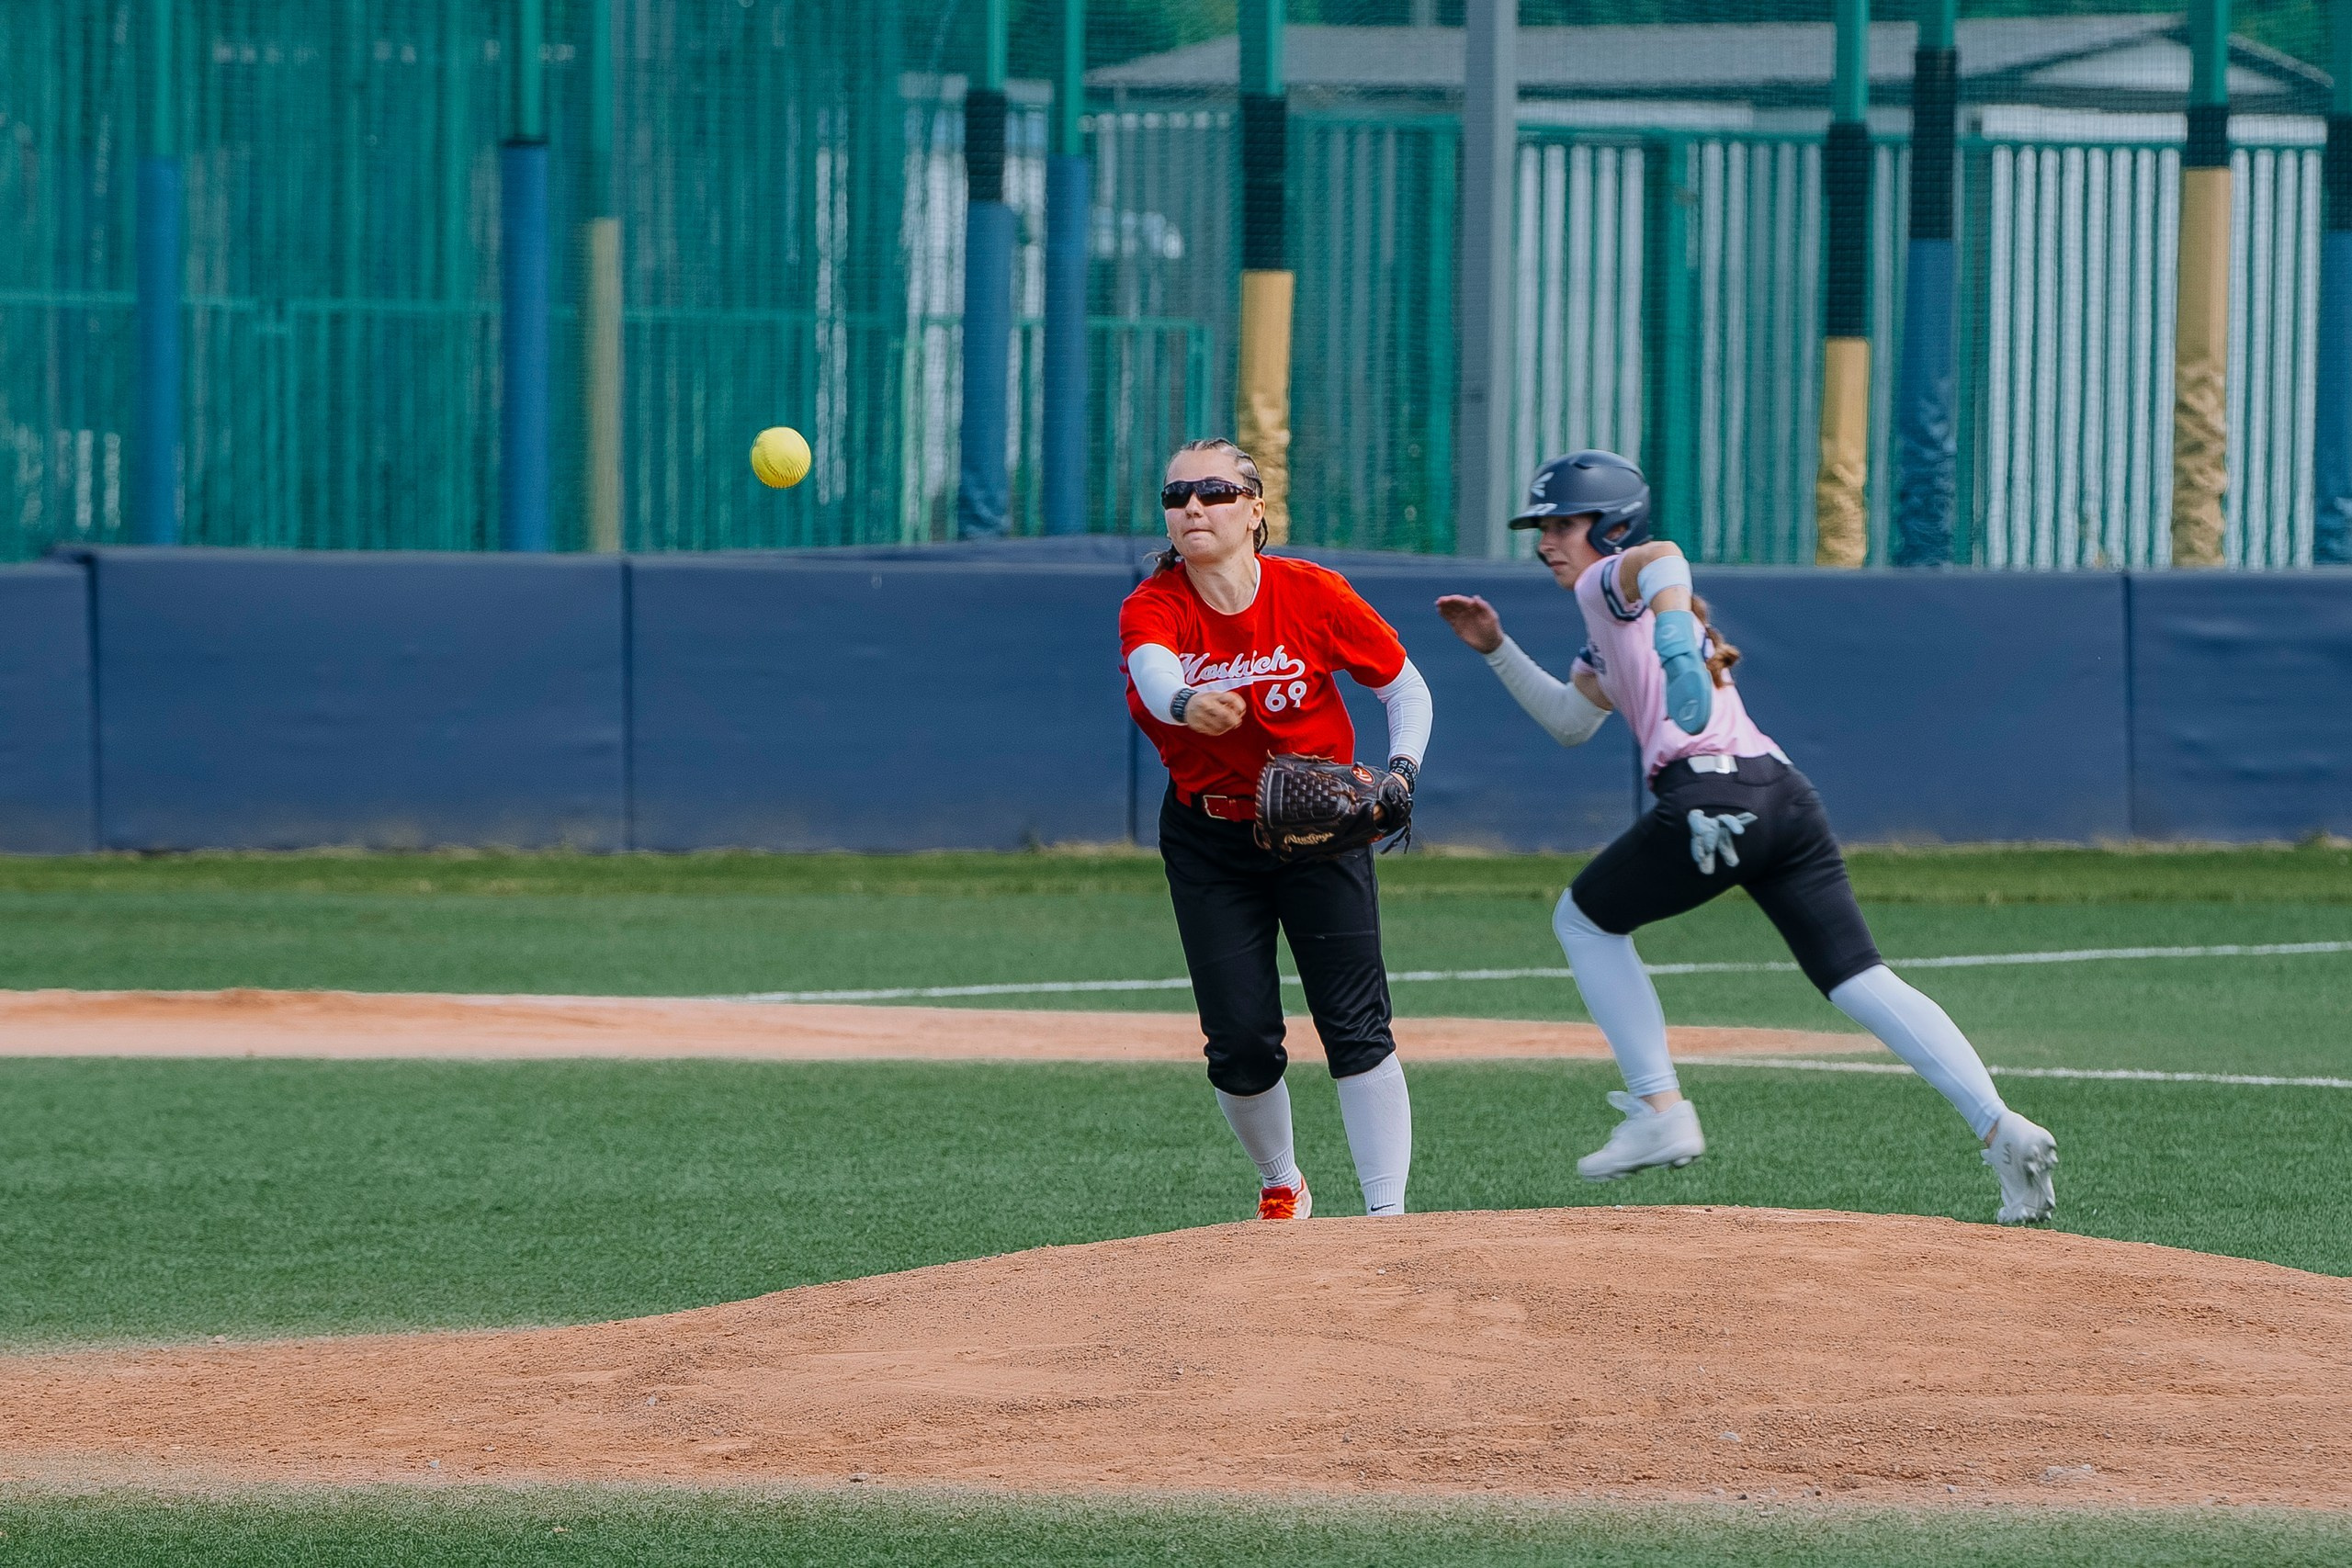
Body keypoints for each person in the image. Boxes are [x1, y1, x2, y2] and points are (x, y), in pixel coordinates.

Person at [1436, 449, 2058, 1224]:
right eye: (1542, 526)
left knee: (1583, 921)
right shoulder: (1613, 622)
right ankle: (2002, 1127)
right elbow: (1571, 720)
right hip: (1783, 795)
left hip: (1710, 793)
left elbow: (1662, 559)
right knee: (1860, 977)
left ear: (1613, 524)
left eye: (1563, 522)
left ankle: (1660, 1108)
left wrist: (1669, 634)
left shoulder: (1614, 577)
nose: (1546, 541)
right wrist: (1496, 646)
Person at [1121, 437, 1431, 1221]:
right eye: (1177, 493)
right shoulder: (1155, 603)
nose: (1193, 505)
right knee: (1241, 1041)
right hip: (1210, 838)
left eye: (1216, 491)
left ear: (1256, 510)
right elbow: (1157, 676)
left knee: (1356, 1024)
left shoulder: (1311, 593)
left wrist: (1401, 773)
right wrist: (1190, 703)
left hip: (1321, 831)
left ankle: (1385, 1219)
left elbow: (1406, 687)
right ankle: (1283, 1181)